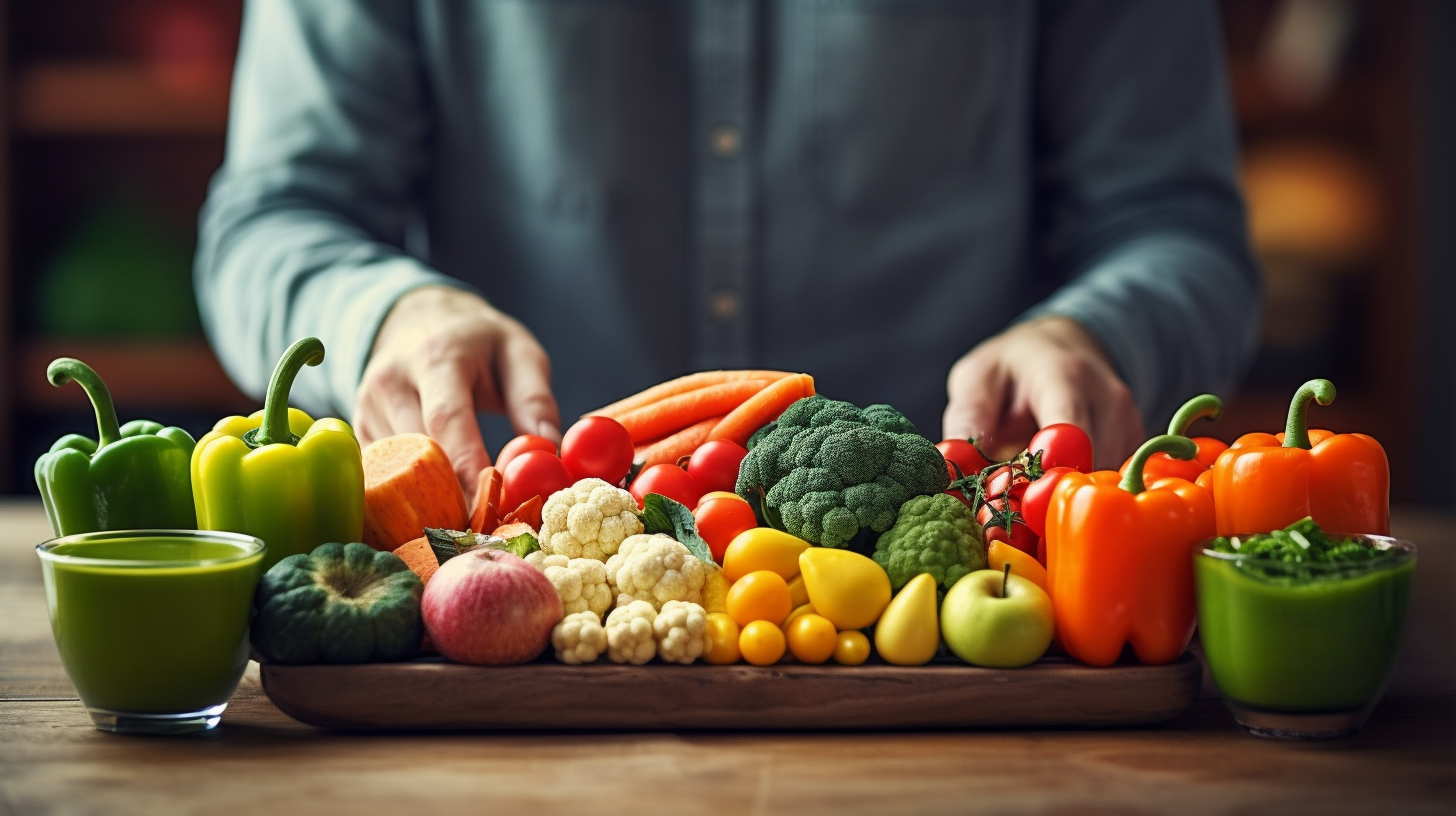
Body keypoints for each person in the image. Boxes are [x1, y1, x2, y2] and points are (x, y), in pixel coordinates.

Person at [197, 0, 1260, 490]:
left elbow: (1180, 228)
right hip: (511, 621)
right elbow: (272, 218)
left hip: (968, 620)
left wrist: (1100, 333)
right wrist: (382, 311)